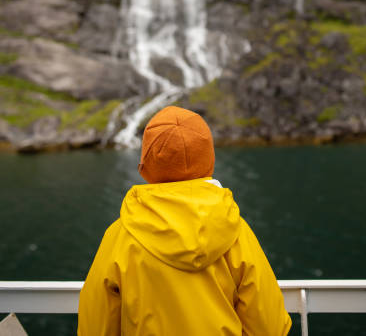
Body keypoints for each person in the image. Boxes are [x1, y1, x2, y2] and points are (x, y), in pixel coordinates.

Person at [77, 106, 292, 335]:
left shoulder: (120, 235)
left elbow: (95, 326)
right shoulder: (235, 230)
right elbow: (270, 325)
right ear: (209, 161)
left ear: (145, 167)